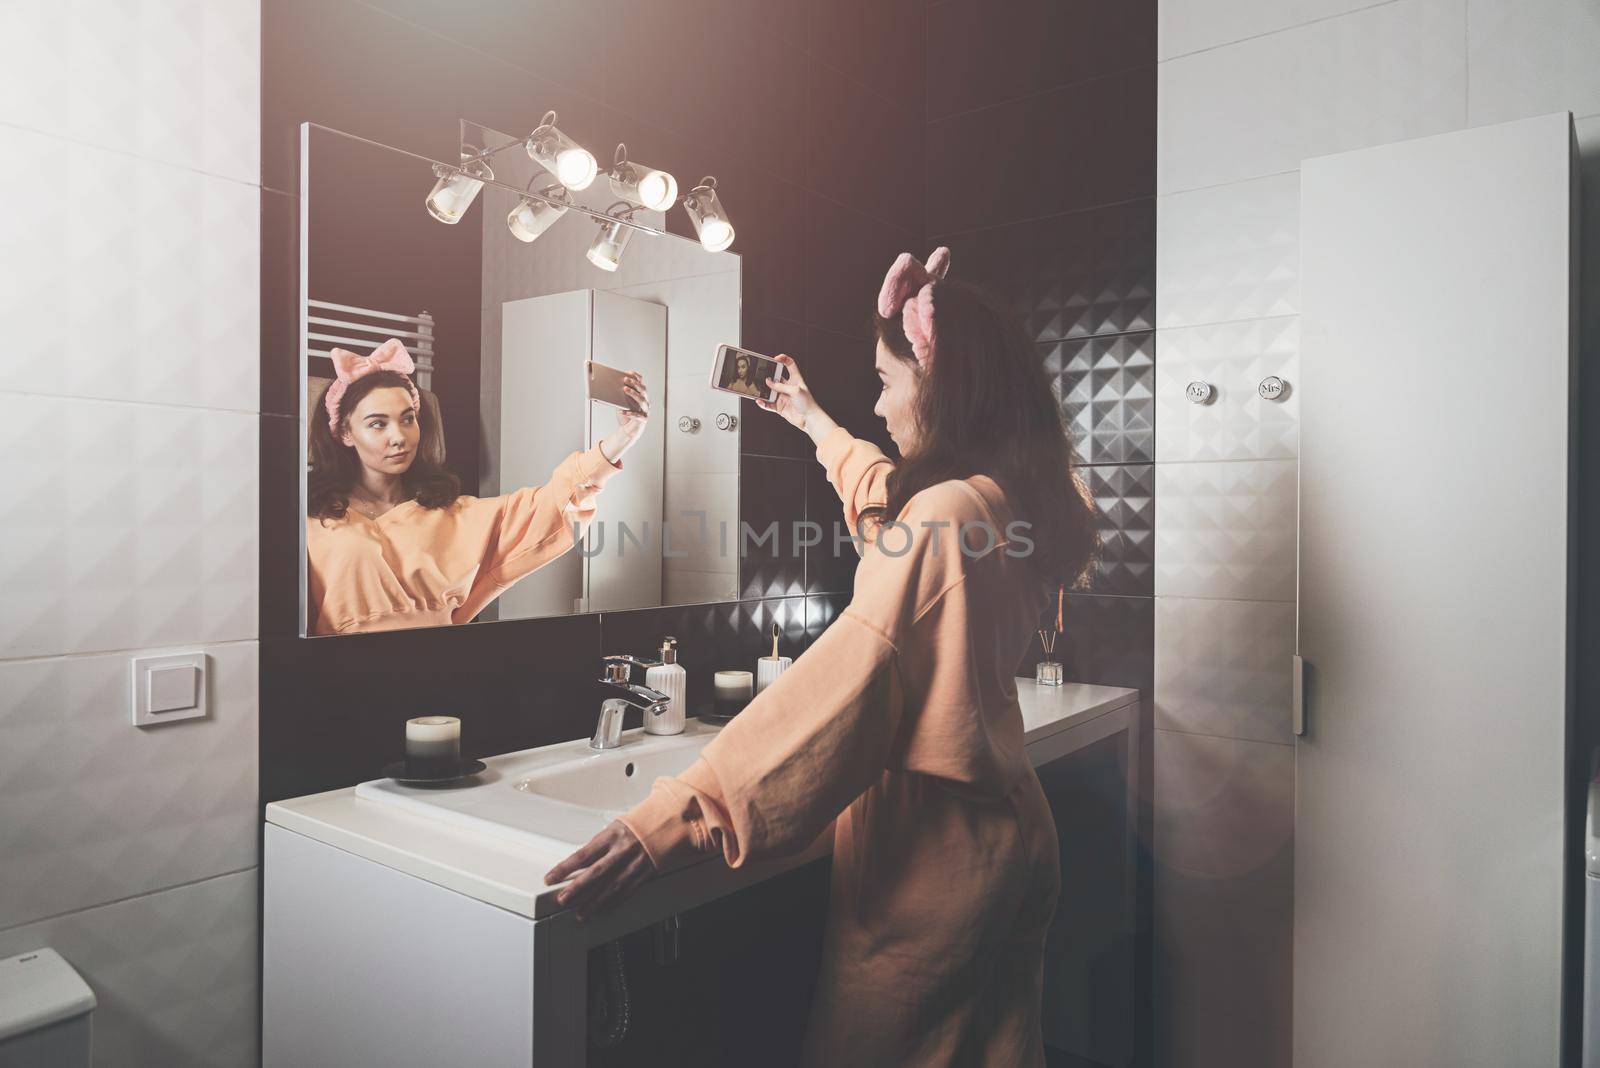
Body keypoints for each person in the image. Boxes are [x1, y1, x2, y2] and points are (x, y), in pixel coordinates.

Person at [544, 248, 1099, 1065]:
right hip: (1001, 841)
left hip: (931, 864)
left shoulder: (948, 513)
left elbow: (850, 683)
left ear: (938, 386)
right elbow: (889, 510)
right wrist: (809, 419)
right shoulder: (997, 500)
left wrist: (681, 813)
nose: (877, 407)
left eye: (886, 380)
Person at [305, 338, 649, 634]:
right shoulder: (310, 521)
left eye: (407, 419)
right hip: (337, 681)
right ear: (345, 433)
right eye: (377, 424)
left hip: (439, 680)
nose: (399, 437)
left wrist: (624, 437)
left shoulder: (457, 515)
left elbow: (553, 503)